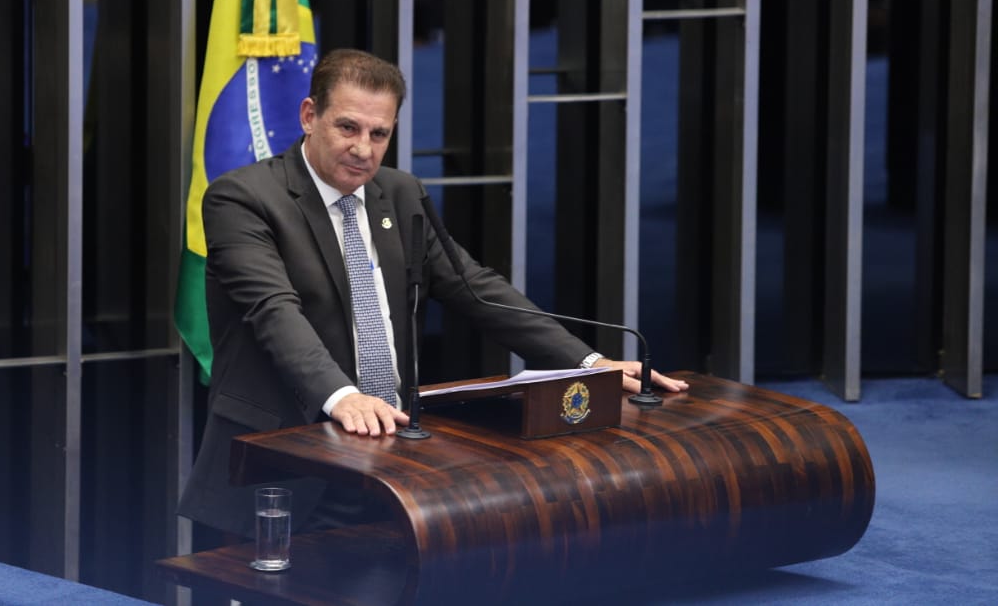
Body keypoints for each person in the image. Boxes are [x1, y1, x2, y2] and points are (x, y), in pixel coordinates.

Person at [178, 48, 688, 537]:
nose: (363, 149)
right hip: (286, 457)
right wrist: (343, 396)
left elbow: (475, 290)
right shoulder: (243, 198)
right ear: (310, 115)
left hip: (390, 454)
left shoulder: (400, 194)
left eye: (379, 134)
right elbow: (274, 312)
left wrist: (586, 362)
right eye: (348, 127)